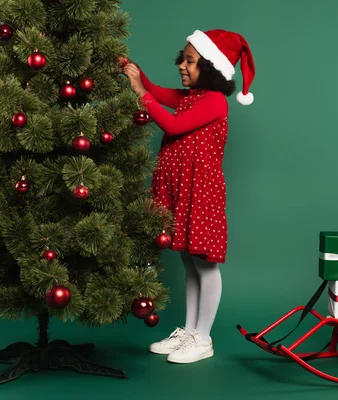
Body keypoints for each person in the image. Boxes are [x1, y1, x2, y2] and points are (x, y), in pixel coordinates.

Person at [122, 29, 256, 364]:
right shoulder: (191, 96)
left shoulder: (213, 101)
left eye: (190, 60)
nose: (181, 64)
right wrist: (137, 74)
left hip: (201, 192)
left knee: (205, 265)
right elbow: (158, 92)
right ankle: (189, 330)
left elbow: (172, 126)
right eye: (182, 57)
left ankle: (203, 337)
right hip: (180, 188)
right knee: (188, 262)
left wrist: (141, 93)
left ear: (210, 66)